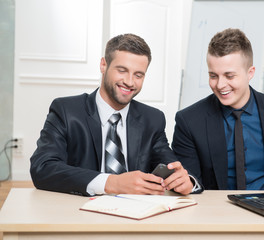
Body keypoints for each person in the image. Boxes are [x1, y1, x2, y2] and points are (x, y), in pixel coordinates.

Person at [30, 33, 194, 196]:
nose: (129, 82)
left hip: (136, 215)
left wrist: (184, 181)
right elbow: (43, 168)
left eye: (138, 75)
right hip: (80, 214)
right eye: (122, 70)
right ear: (103, 65)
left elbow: (169, 167)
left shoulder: (152, 119)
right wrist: (111, 183)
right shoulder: (66, 110)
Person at [172, 28, 264, 191]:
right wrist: (188, 183)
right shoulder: (189, 121)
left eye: (229, 76)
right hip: (216, 211)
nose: (220, 85)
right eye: (213, 75)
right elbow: (190, 178)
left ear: (250, 73)